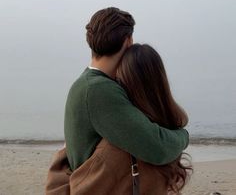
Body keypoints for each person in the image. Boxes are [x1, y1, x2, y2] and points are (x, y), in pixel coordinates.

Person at [46, 43, 192, 194]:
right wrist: (183, 135)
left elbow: (77, 189)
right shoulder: (166, 133)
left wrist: (64, 153)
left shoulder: (125, 143)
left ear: (126, 80)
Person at [64, 7, 189, 171]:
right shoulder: (98, 90)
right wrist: (184, 136)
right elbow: (158, 148)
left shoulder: (85, 82)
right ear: (128, 41)